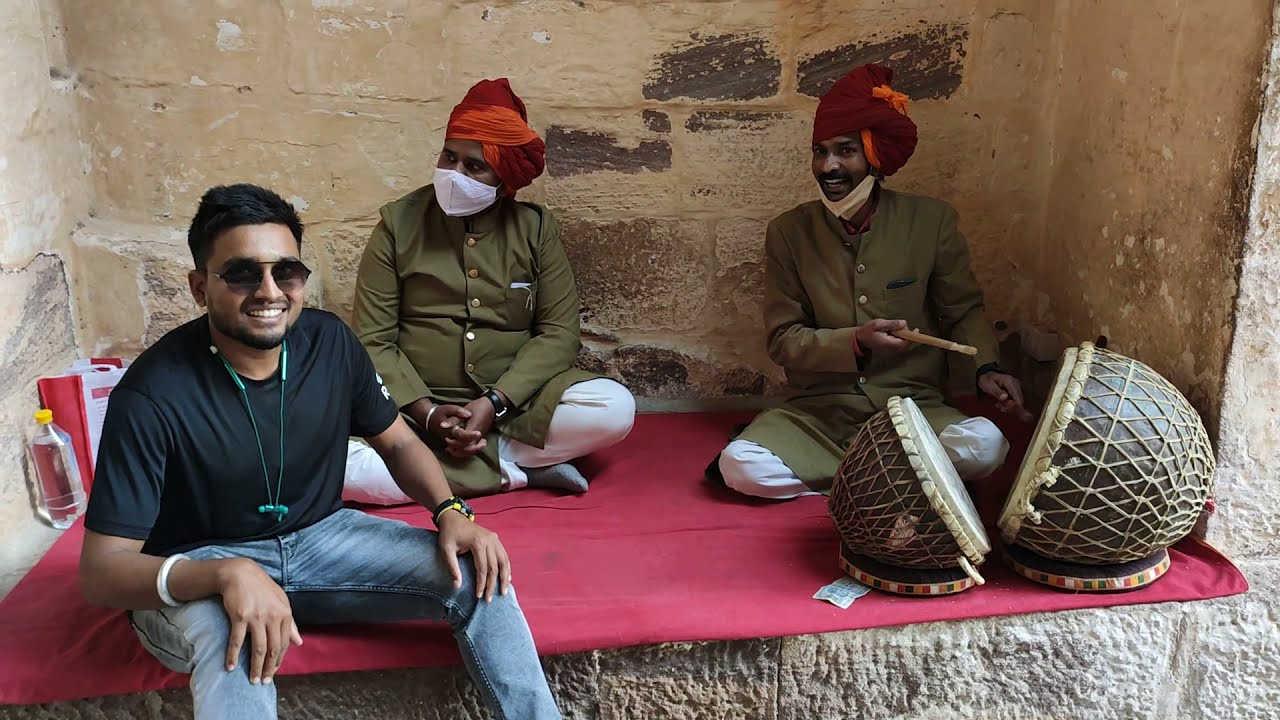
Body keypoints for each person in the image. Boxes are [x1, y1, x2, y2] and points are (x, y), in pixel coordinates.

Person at [79, 184, 562, 720]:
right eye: (242, 273)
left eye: (286, 272)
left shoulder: (330, 343)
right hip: (200, 560)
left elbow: (398, 440)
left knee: (477, 572)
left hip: (321, 540)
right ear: (199, 287)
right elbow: (102, 572)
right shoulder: (151, 394)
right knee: (232, 632)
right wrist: (224, 574)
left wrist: (451, 510)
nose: (269, 291)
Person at [714, 64, 1030, 500]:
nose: (829, 166)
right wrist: (855, 341)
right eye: (820, 152)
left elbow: (963, 311)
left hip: (913, 410)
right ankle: (892, 485)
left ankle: (846, 484)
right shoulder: (789, 231)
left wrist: (987, 369)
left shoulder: (930, 221)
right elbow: (784, 339)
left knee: (986, 445)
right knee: (741, 467)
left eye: (845, 151)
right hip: (818, 414)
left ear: (873, 156)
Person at [345, 77, 635, 503]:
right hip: (411, 411)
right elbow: (373, 339)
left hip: (511, 411)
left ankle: (429, 471)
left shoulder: (535, 229)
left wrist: (494, 403)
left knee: (613, 408)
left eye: (474, 166)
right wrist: (426, 415)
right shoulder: (397, 224)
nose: (454, 174)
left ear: (504, 178)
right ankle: (515, 472)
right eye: (449, 157)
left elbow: (558, 333)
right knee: (332, 462)